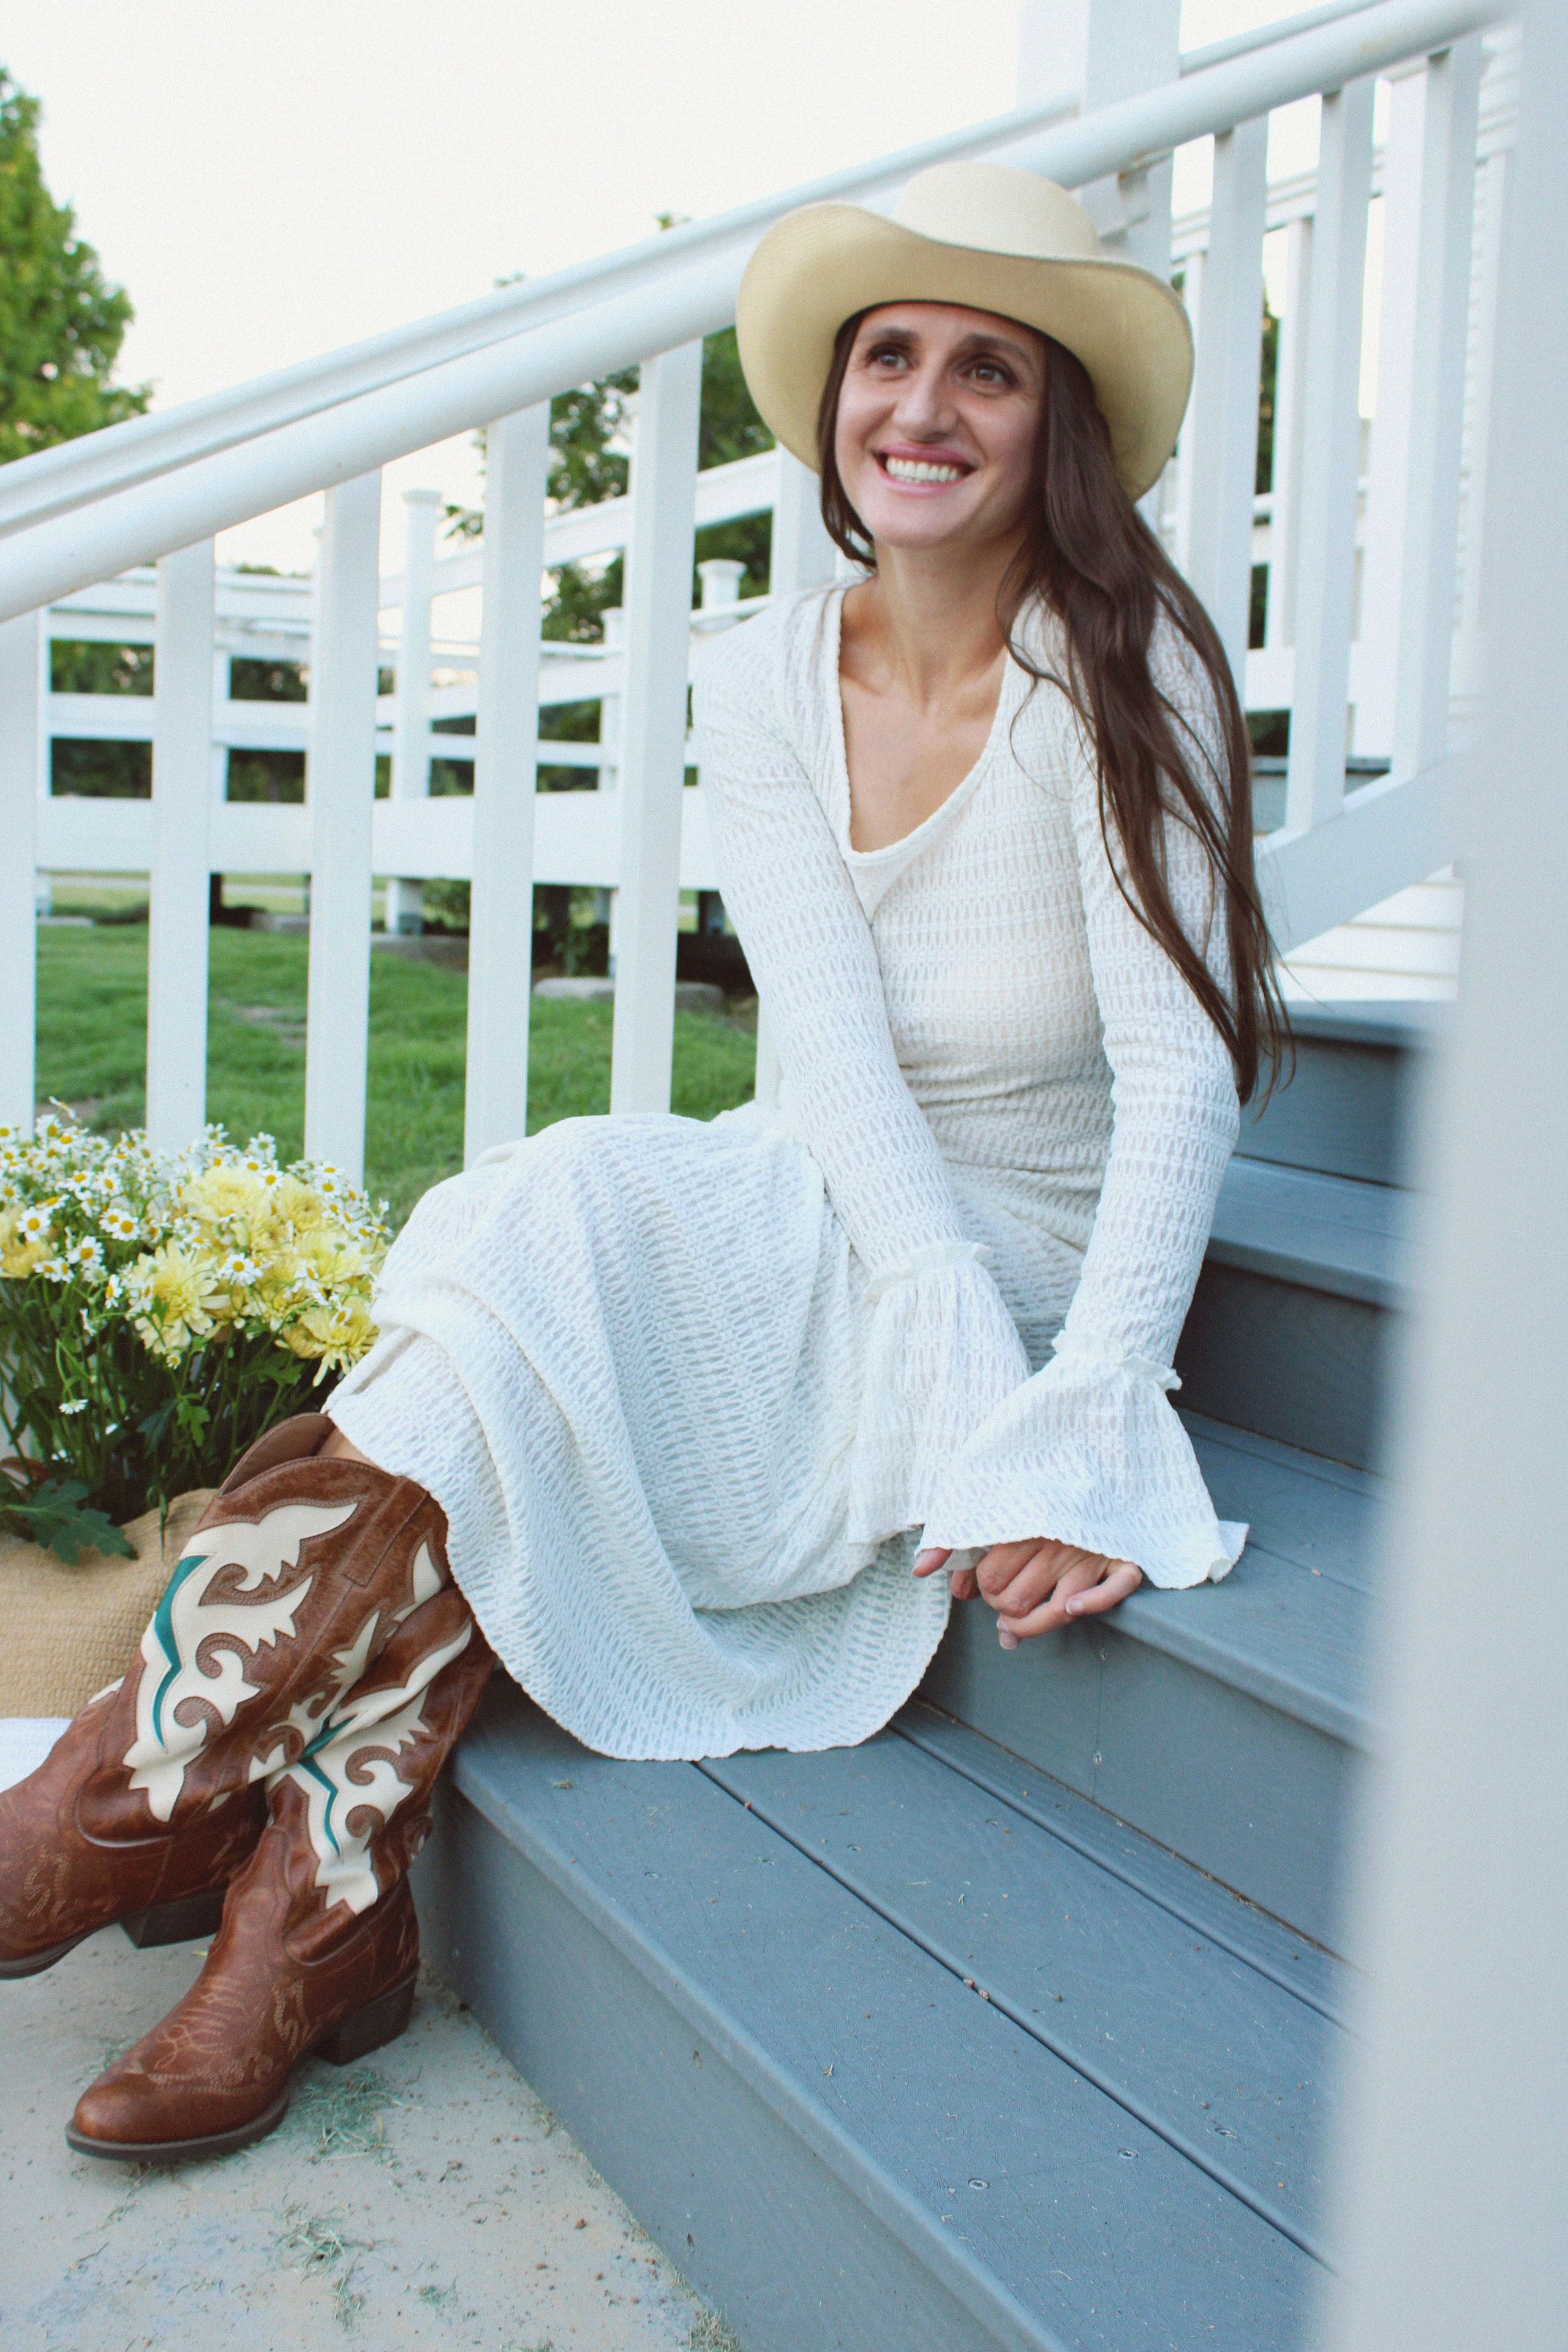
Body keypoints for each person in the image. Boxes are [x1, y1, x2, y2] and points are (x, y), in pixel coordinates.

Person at [0, 160, 1283, 2165]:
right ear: (834, 402)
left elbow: (1180, 1075)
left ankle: (192, 1859)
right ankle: (265, 1889)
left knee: (532, 1312)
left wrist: (1075, 1399)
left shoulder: (1131, 669)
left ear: (1062, 426)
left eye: (989, 371)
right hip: (833, 1190)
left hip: (1030, 1232)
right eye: (888, 358)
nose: (924, 409)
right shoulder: (767, 669)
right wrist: (921, 1306)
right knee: (545, 1222)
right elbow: (835, 1064)